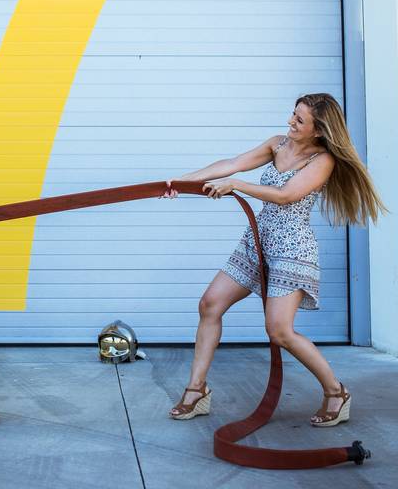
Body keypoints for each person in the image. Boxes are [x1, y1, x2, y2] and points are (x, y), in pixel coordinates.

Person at [163, 93, 385, 427]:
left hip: (292, 249)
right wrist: (182, 182)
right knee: (210, 304)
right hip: (258, 239)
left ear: (319, 131)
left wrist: (237, 185)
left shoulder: (322, 161)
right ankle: (196, 392)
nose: (290, 123)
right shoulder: (277, 144)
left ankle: (336, 392)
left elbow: (286, 196)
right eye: (292, 115)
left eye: (299, 120)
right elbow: (232, 163)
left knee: (279, 330)